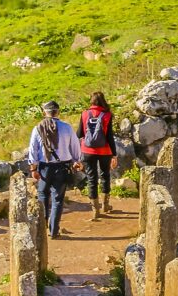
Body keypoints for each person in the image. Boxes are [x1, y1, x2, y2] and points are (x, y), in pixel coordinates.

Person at [27, 100, 79, 239]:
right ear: (58, 112)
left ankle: (42, 227)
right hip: (62, 166)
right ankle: (54, 230)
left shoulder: (38, 128)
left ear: (45, 112)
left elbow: (33, 150)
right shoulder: (67, 128)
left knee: (43, 195)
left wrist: (33, 168)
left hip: (44, 166)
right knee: (57, 199)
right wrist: (76, 161)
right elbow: (75, 146)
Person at [78, 92, 117, 216]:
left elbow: (79, 134)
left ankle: (95, 210)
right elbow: (109, 137)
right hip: (105, 151)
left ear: (91, 101)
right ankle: (106, 205)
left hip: (87, 151)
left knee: (91, 178)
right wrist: (114, 155)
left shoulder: (84, 114)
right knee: (105, 175)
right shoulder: (107, 115)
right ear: (103, 101)